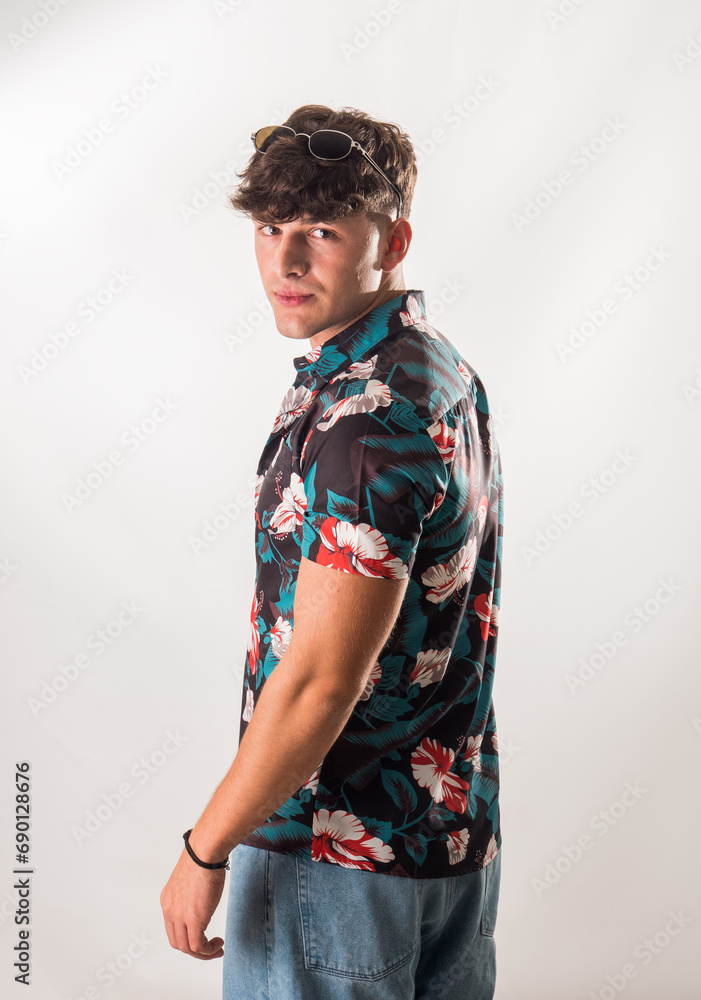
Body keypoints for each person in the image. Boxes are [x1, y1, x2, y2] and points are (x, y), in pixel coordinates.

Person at [160, 103, 505, 1000]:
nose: (285, 260)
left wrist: (204, 849)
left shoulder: (364, 413)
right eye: (271, 228)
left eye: (320, 228)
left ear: (392, 239)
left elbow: (320, 678)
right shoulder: (437, 370)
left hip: (333, 859)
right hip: (445, 850)